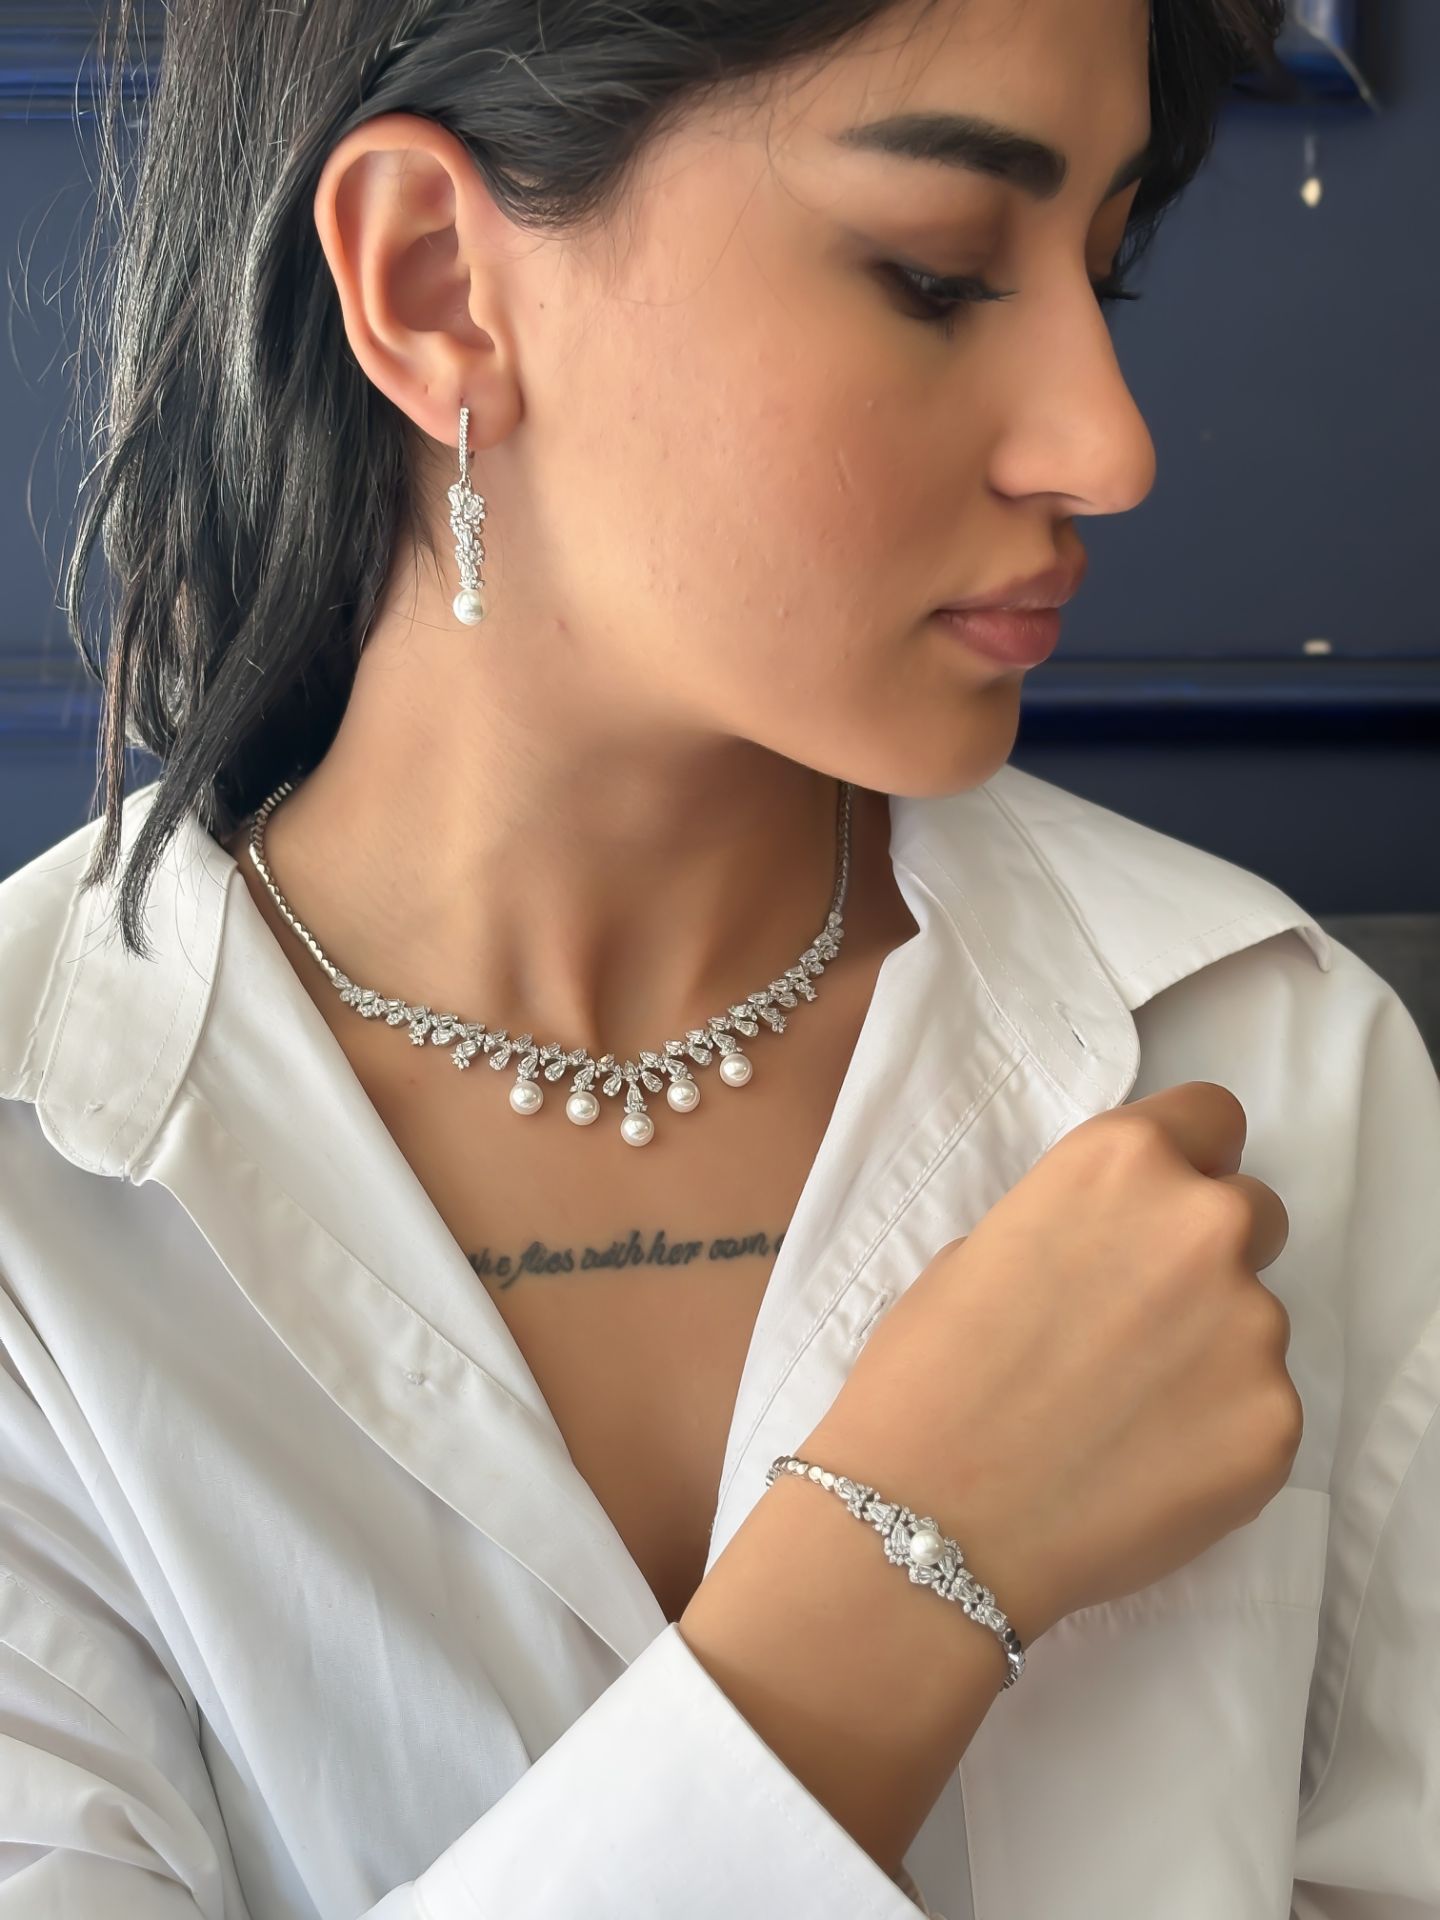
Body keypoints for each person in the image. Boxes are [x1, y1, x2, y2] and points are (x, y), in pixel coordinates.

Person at [1, 0, 1436, 1914]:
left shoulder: (1282, 1063)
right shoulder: (34, 1200)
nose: (1110, 447)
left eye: (1103, 273)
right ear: (436, 286)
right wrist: (909, 1561)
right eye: (937, 275)